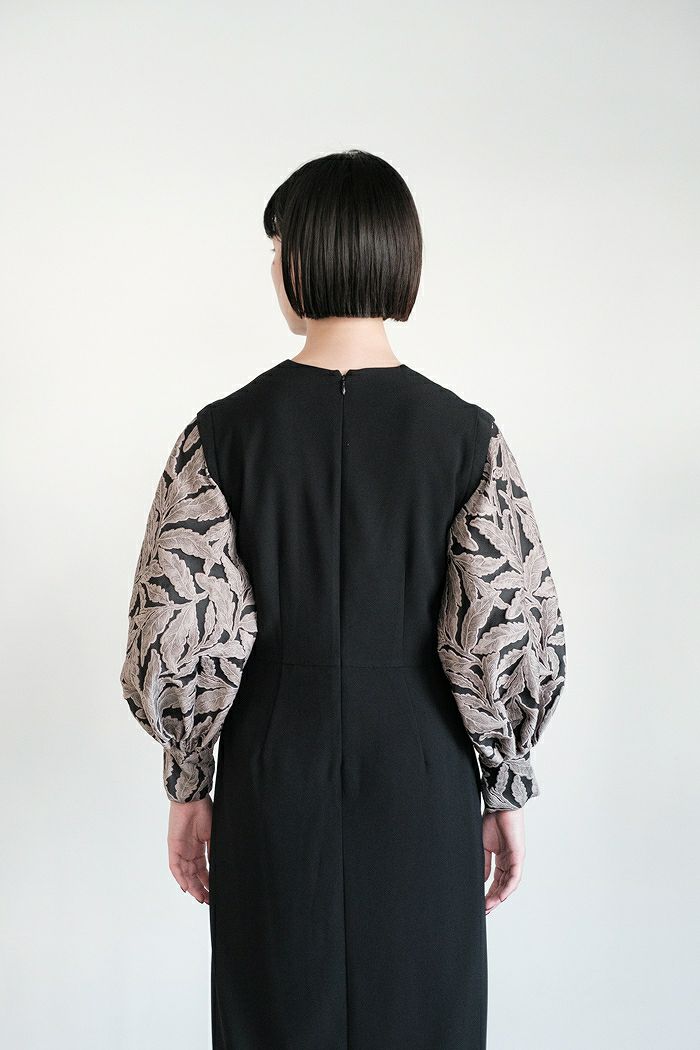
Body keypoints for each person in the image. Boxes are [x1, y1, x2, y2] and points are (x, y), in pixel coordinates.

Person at [119, 148, 567, 1050]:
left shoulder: (220, 436)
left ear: (300, 260)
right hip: (422, 774)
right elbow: (508, 631)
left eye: (275, 250)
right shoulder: (467, 438)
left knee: (276, 1018)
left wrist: (189, 778)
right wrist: (505, 783)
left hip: (273, 770)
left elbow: (180, 630)